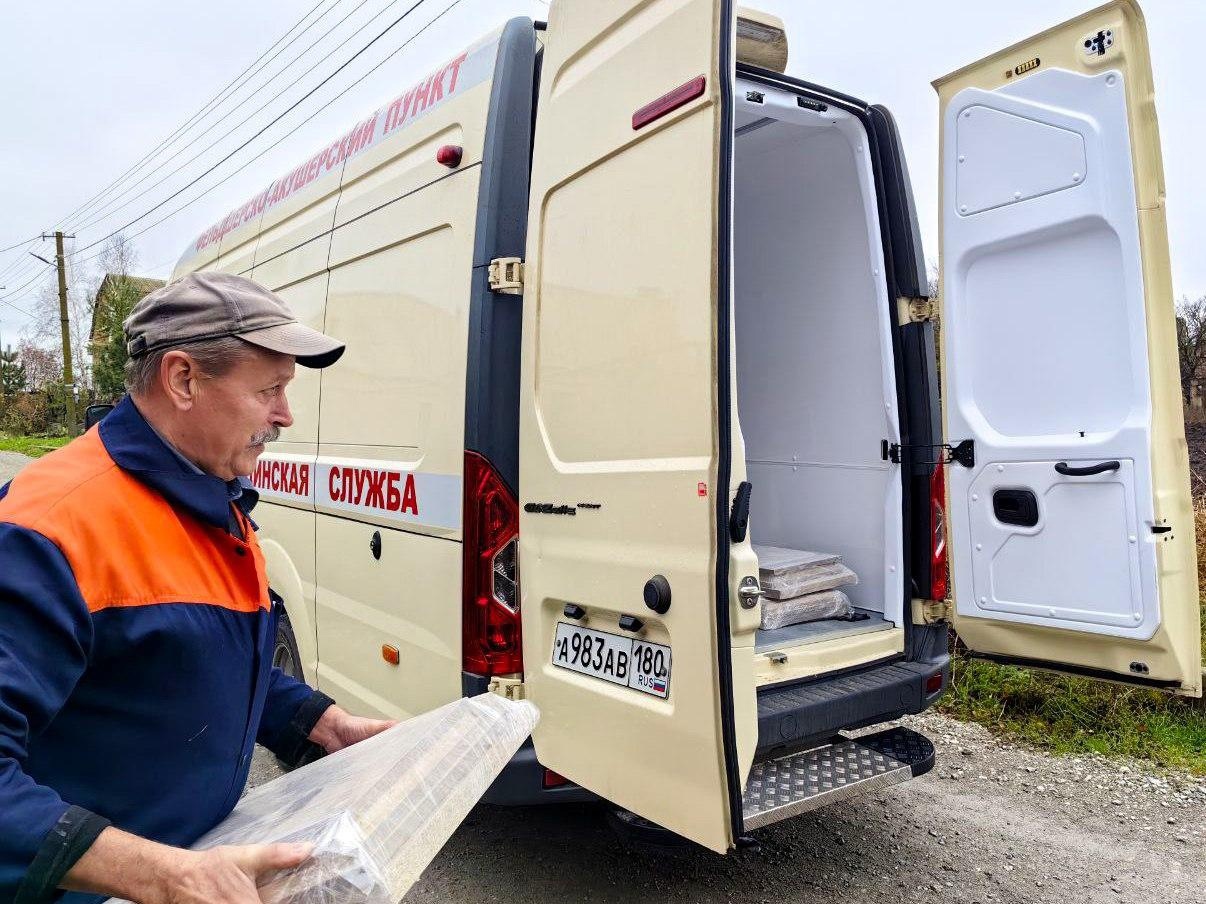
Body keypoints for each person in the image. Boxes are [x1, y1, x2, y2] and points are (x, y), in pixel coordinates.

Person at [0, 272, 394, 904]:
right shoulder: (50, 529)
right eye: (269, 389)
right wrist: (168, 876)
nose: (285, 415)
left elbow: (208, 661)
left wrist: (325, 725)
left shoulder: (212, 500)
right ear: (183, 378)